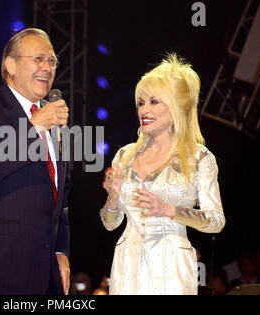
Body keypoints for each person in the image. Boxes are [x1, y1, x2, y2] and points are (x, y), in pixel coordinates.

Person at [100, 53, 225, 295]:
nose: (144, 109)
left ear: (176, 106)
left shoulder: (199, 157)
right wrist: (113, 197)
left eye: (154, 101)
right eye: (141, 102)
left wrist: (170, 210)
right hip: (127, 265)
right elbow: (109, 223)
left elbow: (216, 221)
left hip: (172, 268)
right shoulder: (124, 155)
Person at [0, 28, 71, 295]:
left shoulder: (56, 122)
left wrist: (61, 250)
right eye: (38, 59)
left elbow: (61, 196)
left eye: (52, 61)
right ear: (10, 64)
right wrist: (34, 128)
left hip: (46, 274)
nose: (47, 67)